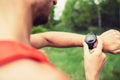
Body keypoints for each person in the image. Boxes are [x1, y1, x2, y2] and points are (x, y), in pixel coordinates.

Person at [0, 0, 117, 80]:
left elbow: (46, 38)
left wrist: (96, 40)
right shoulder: (43, 76)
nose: (55, 1)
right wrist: (92, 74)